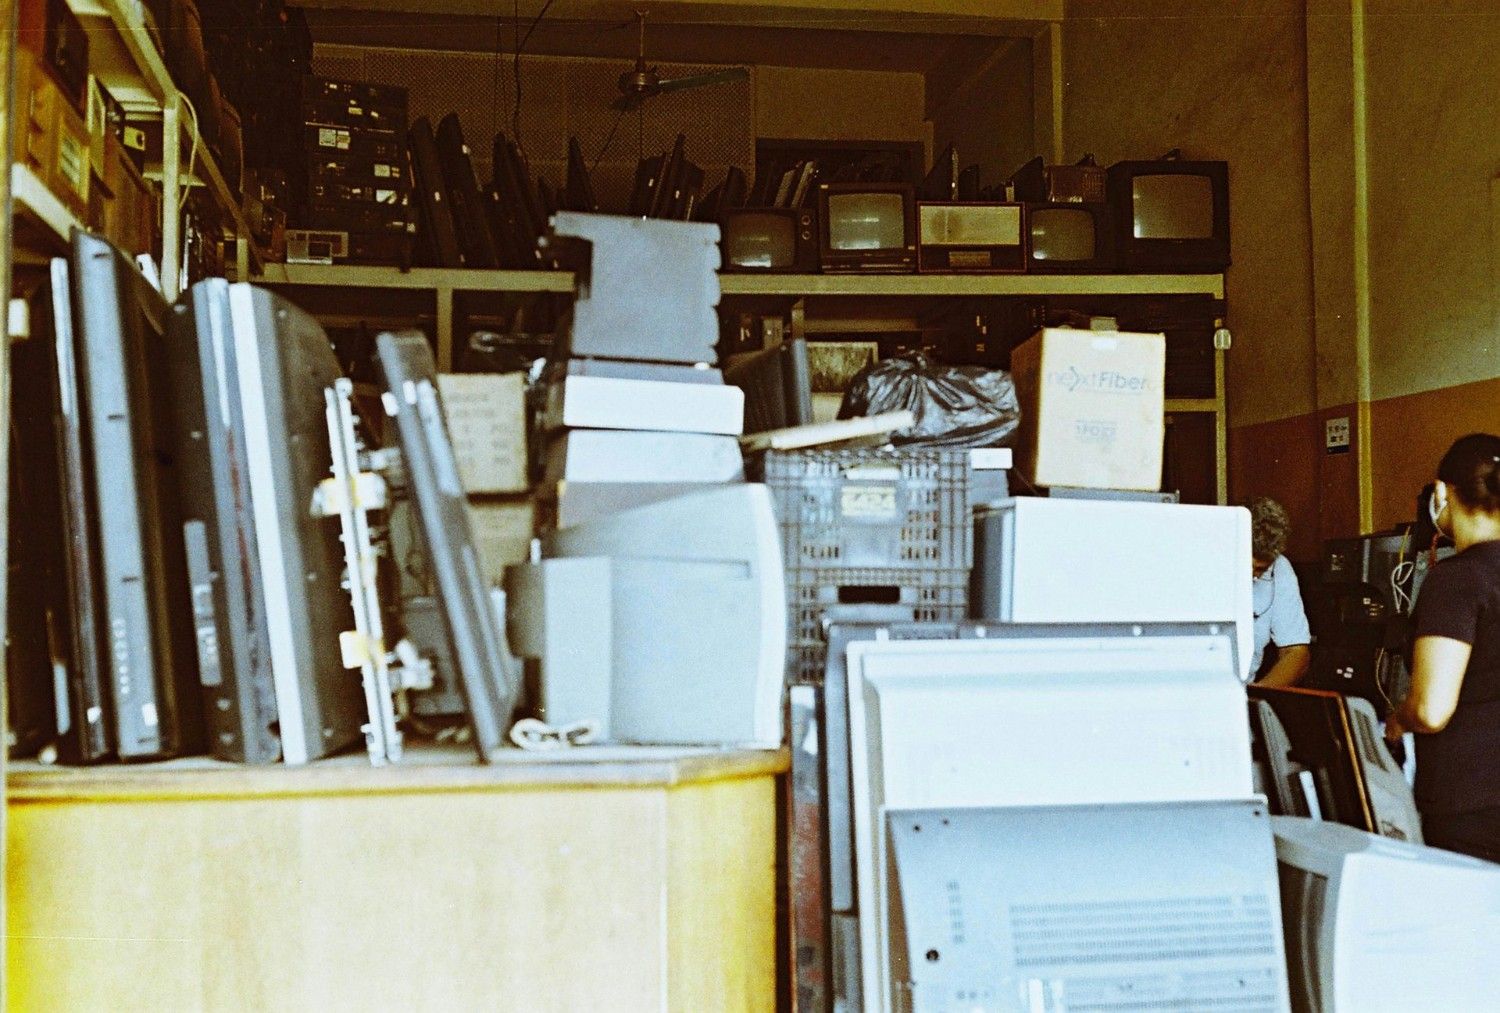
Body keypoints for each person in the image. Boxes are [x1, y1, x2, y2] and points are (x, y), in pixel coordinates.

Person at [1386, 433, 1500, 863]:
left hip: (1469, 801)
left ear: (1442, 492)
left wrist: (1397, 720)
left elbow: (1432, 710)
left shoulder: (1456, 579)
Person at [1248, 496, 1311, 687]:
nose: (1252, 577)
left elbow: (1296, 653)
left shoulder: (1280, 569)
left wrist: (1253, 699)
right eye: (1247, 566)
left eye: (1261, 570)